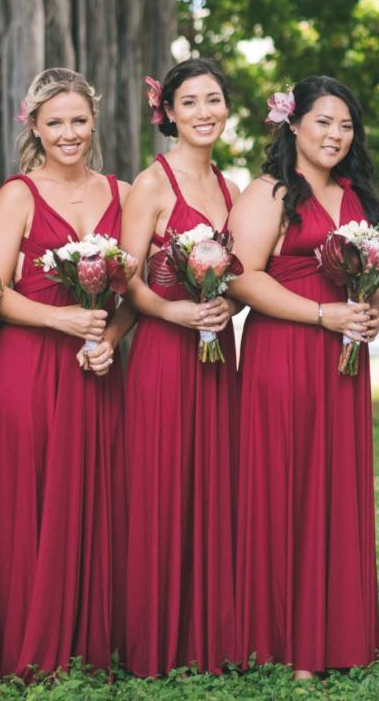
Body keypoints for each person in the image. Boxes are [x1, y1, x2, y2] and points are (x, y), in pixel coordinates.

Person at [228, 76, 379, 679]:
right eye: (323, 121)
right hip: (285, 353)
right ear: (293, 124)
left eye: (345, 125)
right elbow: (243, 276)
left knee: (335, 484)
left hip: (344, 359)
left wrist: (370, 309)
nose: (335, 135)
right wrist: (323, 313)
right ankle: (281, 638)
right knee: (286, 483)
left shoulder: (358, 197)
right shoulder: (268, 192)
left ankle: (339, 632)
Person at [0, 68, 133, 676]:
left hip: (95, 365)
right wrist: (61, 319)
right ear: (35, 128)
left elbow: (134, 294)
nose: (69, 133)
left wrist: (109, 337)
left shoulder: (124, 193)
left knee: (94, 495)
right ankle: (27, 640)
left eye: (78, 120)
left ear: (94, 121)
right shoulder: (17, 194)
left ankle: (87, 639)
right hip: (29, 365)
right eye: (55, 123)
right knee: (30, 496)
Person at [120, 59, 242, 675]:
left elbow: (244, 276)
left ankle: (209, 635)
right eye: (189, 102)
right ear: (167, 112)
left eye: (213, 99)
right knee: (163, 485)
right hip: (165, 355)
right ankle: (155, 640)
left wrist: (227, 305)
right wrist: (175, 312)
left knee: (214, 484)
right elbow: (127, 279)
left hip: (218, 355)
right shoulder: (152, 183)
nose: (204, 112)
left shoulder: (234, 191)